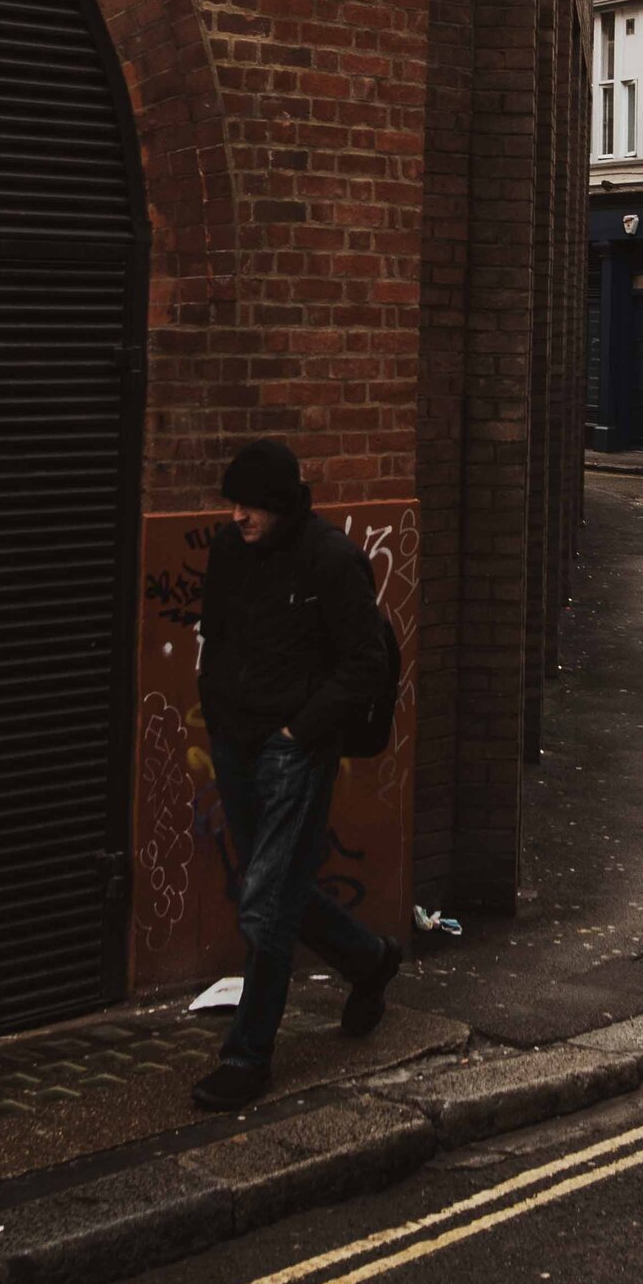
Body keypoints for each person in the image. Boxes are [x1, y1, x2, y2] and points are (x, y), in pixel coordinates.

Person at [191, 438, 401, 1110]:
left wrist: (297, 732)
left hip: (292, 749)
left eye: (250, 504)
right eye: (233, 503)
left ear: (282, 504)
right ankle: (369, 959)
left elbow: (366, 663)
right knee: (272, 882)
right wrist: (219, 710)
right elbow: (215, 635)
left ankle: (248, 1056)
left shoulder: (333, 562)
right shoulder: (230, 551)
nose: (238, 516)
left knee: (268, 901)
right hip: (235, 739)